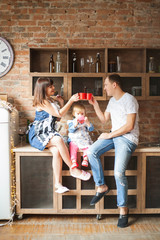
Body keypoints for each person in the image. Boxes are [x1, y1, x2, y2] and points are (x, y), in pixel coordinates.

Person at [88, 74, 139, 228]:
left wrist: (109, 134)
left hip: (127, 138)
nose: (104, 88)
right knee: (91, 152)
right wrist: (95, 105)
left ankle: (123, 210)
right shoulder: (111, 101)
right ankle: (101, 186)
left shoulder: (130, 100)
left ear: (114, 84)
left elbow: (129, 126)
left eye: (106, 85)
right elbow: (104, 119)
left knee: (118, 173)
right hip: (114, 135)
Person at [28, 78, 91, 194]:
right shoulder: (42, 101)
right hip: (39, 134)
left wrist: (61, 103)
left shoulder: (50, 100)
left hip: (48, 133)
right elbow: (59, 113)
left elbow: (57, 118)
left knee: (57, 151)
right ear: (43, 89)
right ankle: (74, 169)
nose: (53, 88)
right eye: (50, 86)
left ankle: (58, 184)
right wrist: (71, 101)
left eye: (52, 86)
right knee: (58, 139)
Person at [67, 103, 94, 168]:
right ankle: (73, 161)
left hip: (83, 140)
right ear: (74, 114)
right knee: (72, 146)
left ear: (85, 114)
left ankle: (85, 159)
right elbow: (70, 130)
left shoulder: (86, 122)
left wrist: (87, 123)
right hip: (75, 140)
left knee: (88, 147)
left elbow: (91, 129)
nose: (80, 115)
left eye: (82, 114)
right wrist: (75, 125)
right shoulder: (72, 122)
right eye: (78, 114)